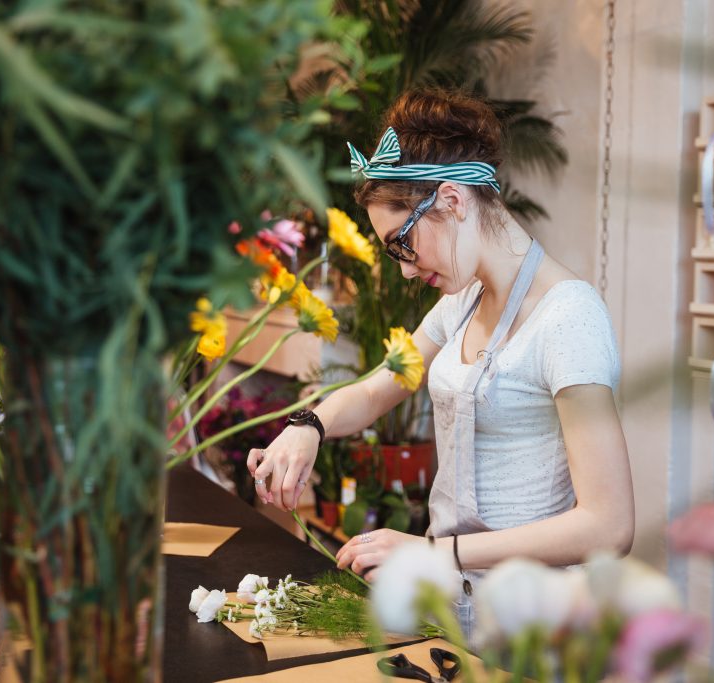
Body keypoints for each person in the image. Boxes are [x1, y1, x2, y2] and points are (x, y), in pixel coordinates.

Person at [248, 89, 634, 638]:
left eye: (402, 244)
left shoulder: (569, 318)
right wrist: (307, 427)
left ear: (451, 200)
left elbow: (609, 525)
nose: (405, 271)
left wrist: (435, 553)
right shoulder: (461, 301)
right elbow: (379, 388)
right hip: (452, 602)